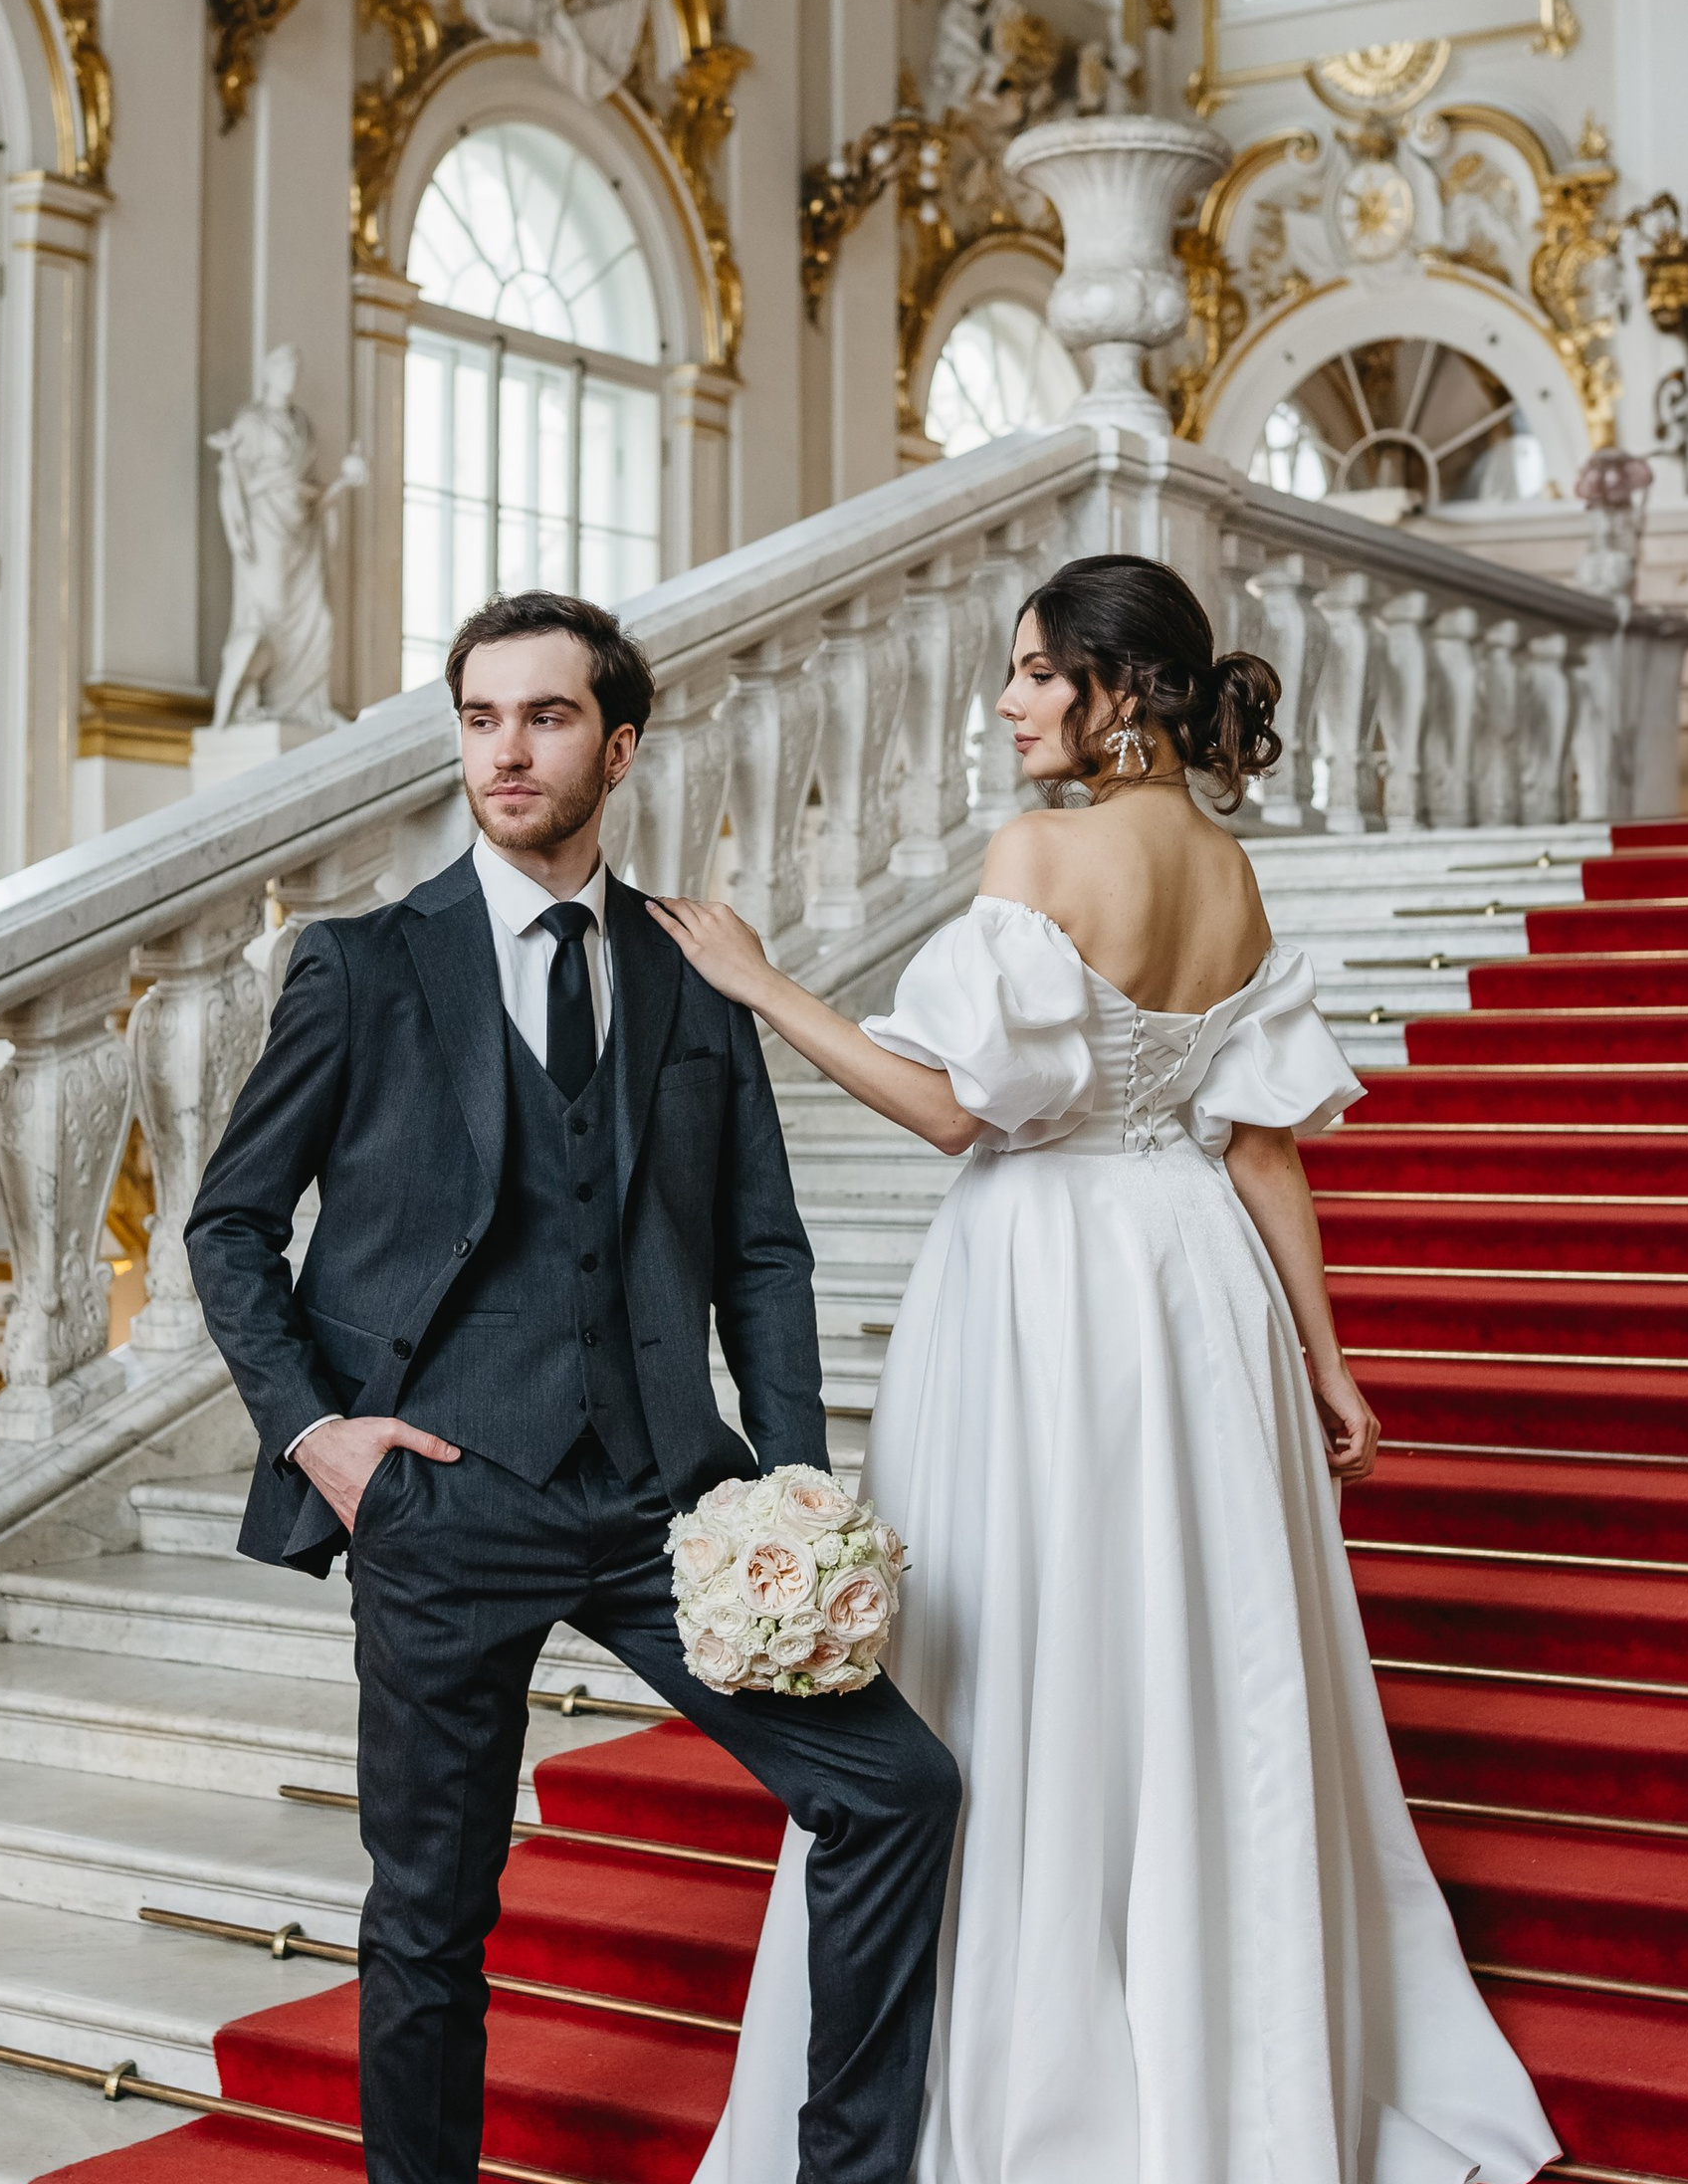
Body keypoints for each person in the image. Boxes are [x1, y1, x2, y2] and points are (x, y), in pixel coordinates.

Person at [660, 554, 1562, 2184]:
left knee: (1013, 1648)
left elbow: (955, 1111)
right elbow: (1264, 1145)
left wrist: (765, 984)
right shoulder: (1228, 872)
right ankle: (1221, 2053)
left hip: (1039, 1276)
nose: (1005, 705)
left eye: (1029, 674)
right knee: (1194, 1650)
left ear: (1118, 688)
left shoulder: (1044, 848)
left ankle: (1026, 2076)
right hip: (1191, 1276)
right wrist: (1326, 1360)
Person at [185, 589, 961, 2184]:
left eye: (543, 718)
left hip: (669, 1498)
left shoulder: (694, 975)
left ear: (619, 743)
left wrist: (791, 1492)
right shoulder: (362, 968)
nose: (506, 752)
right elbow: (230, 1225)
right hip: (443, 1502)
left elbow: (762, 1250)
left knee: (895, 1794)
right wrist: (325, 1440)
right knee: (426, 1918)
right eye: (479, 719)